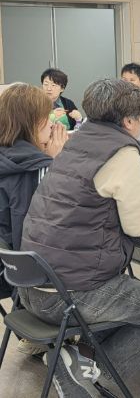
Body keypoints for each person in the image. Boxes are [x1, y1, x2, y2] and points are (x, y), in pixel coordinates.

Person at [20, 79, 140, 397]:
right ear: (129, 121)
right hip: (69, 295)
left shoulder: (74, 142)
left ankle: (79, 355)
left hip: (32, 286)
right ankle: (89, 370)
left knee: (134, 296)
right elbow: (138, 226)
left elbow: (92, 201)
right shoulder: (123, 154)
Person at [0, 84, 68, 356]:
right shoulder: (37, 167)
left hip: (7, 266)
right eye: (47, 119)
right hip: (24, 276)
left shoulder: (8, 157)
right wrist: (56, 163)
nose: (52, 125)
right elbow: (49, 231)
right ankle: (73, 353)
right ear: (32, 123)